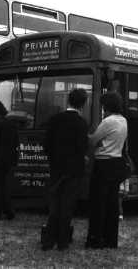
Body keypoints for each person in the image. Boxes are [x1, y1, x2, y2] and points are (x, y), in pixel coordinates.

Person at [42, 89, 88, 251]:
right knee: (67, 206)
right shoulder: (82, 123)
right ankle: (62, 242)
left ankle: (48, 241)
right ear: (83, 104)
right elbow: (83, 148)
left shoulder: (55, 119)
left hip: (56, 169)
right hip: (74, 170)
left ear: (68, 101)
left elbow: (46, 145)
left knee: (54, 205)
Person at [85, 92, 128, 249]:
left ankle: (95, 239)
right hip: (117, 163)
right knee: (112, 204)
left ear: (107, 106)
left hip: (103, 164)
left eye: (103, 106)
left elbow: (93, 140)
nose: (102, 109)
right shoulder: (123, 120)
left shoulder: (107, 121)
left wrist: (85, 135)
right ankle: (111, 240)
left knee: (98, 203)